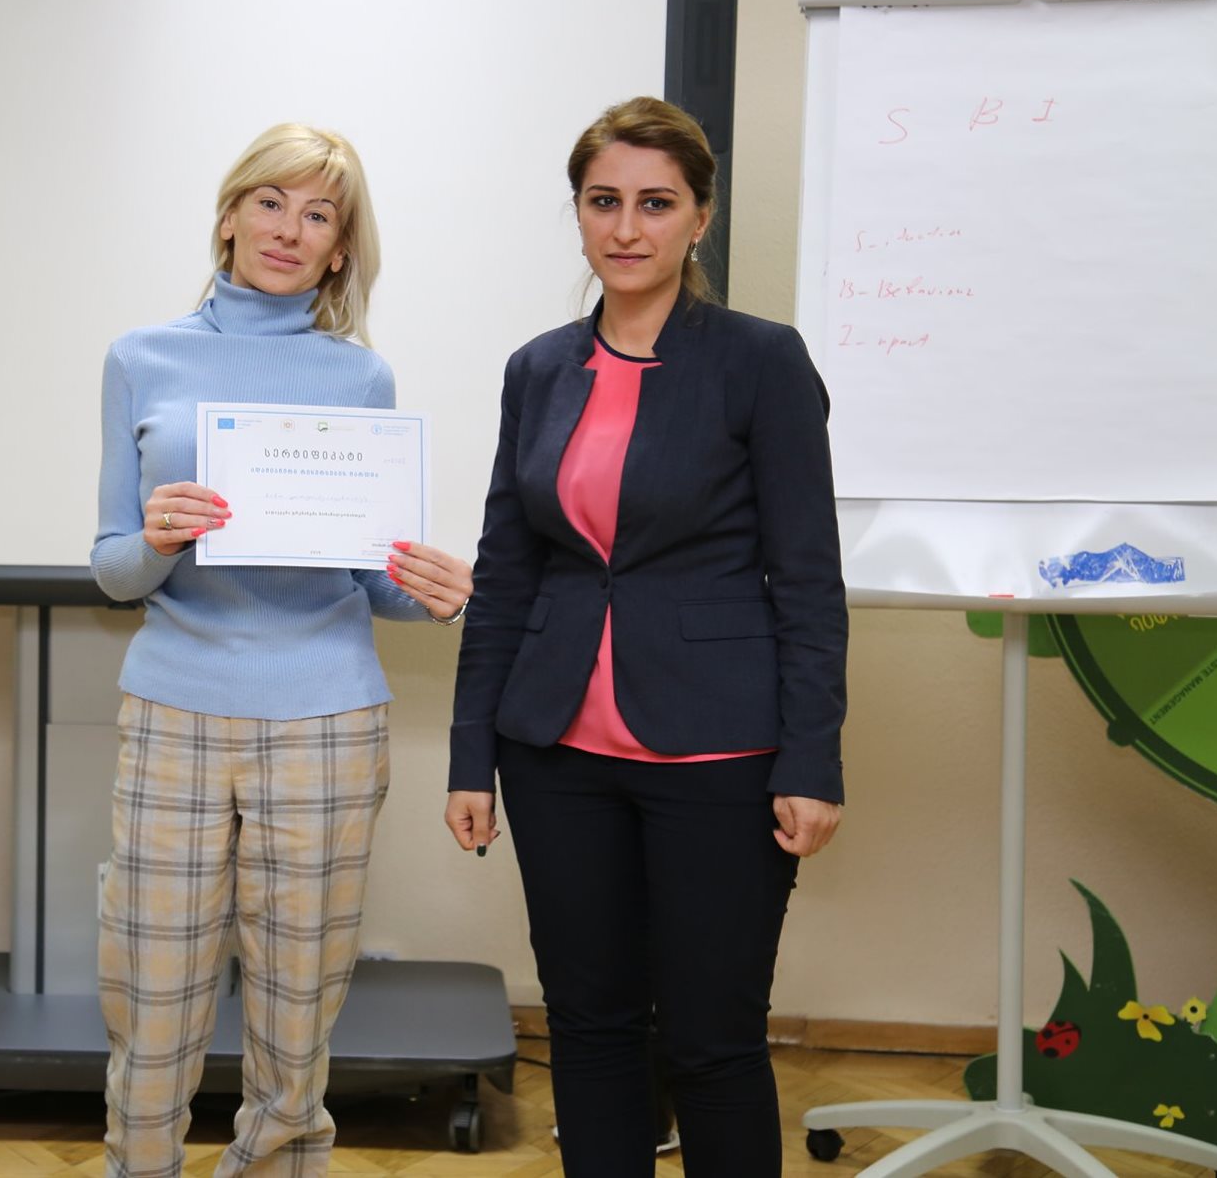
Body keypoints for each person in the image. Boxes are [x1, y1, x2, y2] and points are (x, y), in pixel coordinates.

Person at [444, 97, 847, 1176]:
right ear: (577, 212)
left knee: (712, 1040)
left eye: (655, 204)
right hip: (553, 752)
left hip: (718, 751)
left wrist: (811, 760)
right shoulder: (537, 370)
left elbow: (808, 580)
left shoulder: (760, 361)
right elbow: (506, 574)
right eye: (603, 201)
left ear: (699, 219)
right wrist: (471, 754)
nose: (626, 228)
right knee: (587, 1028)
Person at [92, 123, 474, 1176]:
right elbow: (113, 569)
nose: (287, 230)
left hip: (326, 717)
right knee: (152, 994)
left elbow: (367, 578)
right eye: (269, 203)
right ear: (229, 215)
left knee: (296, 1007)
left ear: (340, 249)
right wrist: (158, 538)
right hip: (173, 708)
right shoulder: (139, 357)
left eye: (317, 216)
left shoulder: (361, 379)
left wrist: (433, 594)